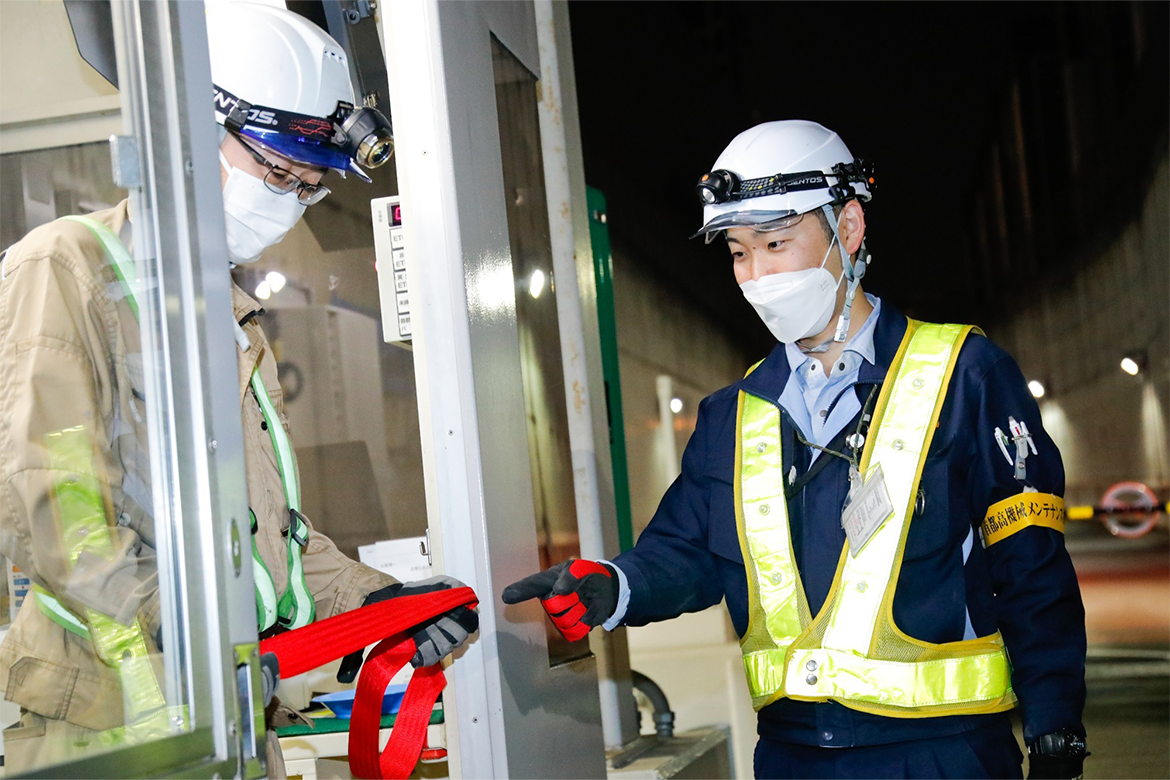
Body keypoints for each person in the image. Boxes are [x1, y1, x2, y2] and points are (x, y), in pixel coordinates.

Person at [504, 120, 1088, 779]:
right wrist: (613, 586)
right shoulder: (735, 414)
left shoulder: (966, 375)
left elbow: (1029, 566)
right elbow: (688, 551)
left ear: (849, 228)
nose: (757, 275)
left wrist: (1056, 725)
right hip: (790, 756)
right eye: (737, 253)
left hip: (941, 754)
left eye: (776, 243)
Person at [0, 3, 474, 774]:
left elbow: (267, 539)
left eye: (308, 187)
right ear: (189, 128)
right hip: (116, 728)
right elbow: (60, 518)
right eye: (277, 173)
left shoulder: (227, 315)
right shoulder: (66, 269)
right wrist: (231, 650)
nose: (288, 203)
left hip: (231, 721)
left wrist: (371, 602)